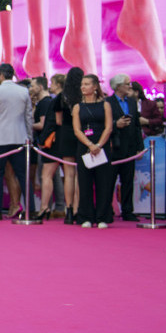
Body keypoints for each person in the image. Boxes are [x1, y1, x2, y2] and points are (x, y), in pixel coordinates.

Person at [0, 63, 33, 220]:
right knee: (23, 175)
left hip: (0, 139)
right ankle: (31, 209)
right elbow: (29, 117)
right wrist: (29, 137)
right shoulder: (24, 91)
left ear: (2, 75)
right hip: (20, 138)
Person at [72, 74, 114, 228]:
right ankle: (85, 217)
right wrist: (90, 145)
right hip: (84, 147)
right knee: (84, 183)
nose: (83, 87)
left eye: (87, 84)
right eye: (82, 84)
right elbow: (77, 130)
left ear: (95, 86)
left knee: (103, 182)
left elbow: (109, 127)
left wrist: (99, 145)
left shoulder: (105, 105)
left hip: (102, 147)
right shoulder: (77, 107)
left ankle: (103, 217)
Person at [107, 74, 143, 221]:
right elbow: (103, 124)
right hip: (113, 148)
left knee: (128, 181)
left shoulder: (133, 102)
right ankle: (107, 210)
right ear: (118, 86)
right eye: (127, 84)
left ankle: (128, 211)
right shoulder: (107, 102)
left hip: (130, 148)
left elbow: (137, 126)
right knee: (109, 181)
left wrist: (139, 147)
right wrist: (116, 124)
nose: (130, 86)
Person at [52, 67, 84, 224]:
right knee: (79, 174)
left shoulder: (61, 97)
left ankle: (69, 209)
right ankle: (78, 209)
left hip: (65, 134)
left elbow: (58, 121)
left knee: (68, 175)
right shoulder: (83, 96)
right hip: (81, 134)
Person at [30, 76, 58, 220]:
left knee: (47, 176)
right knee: (50, 176)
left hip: (47, 143)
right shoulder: (44, 102)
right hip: (46, 143)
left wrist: (27, 125)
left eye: (33, 86)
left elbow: (43, 124)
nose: (31, 88)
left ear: (40, 87)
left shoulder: (45, 103)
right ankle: (50, 207)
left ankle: (46, 207)